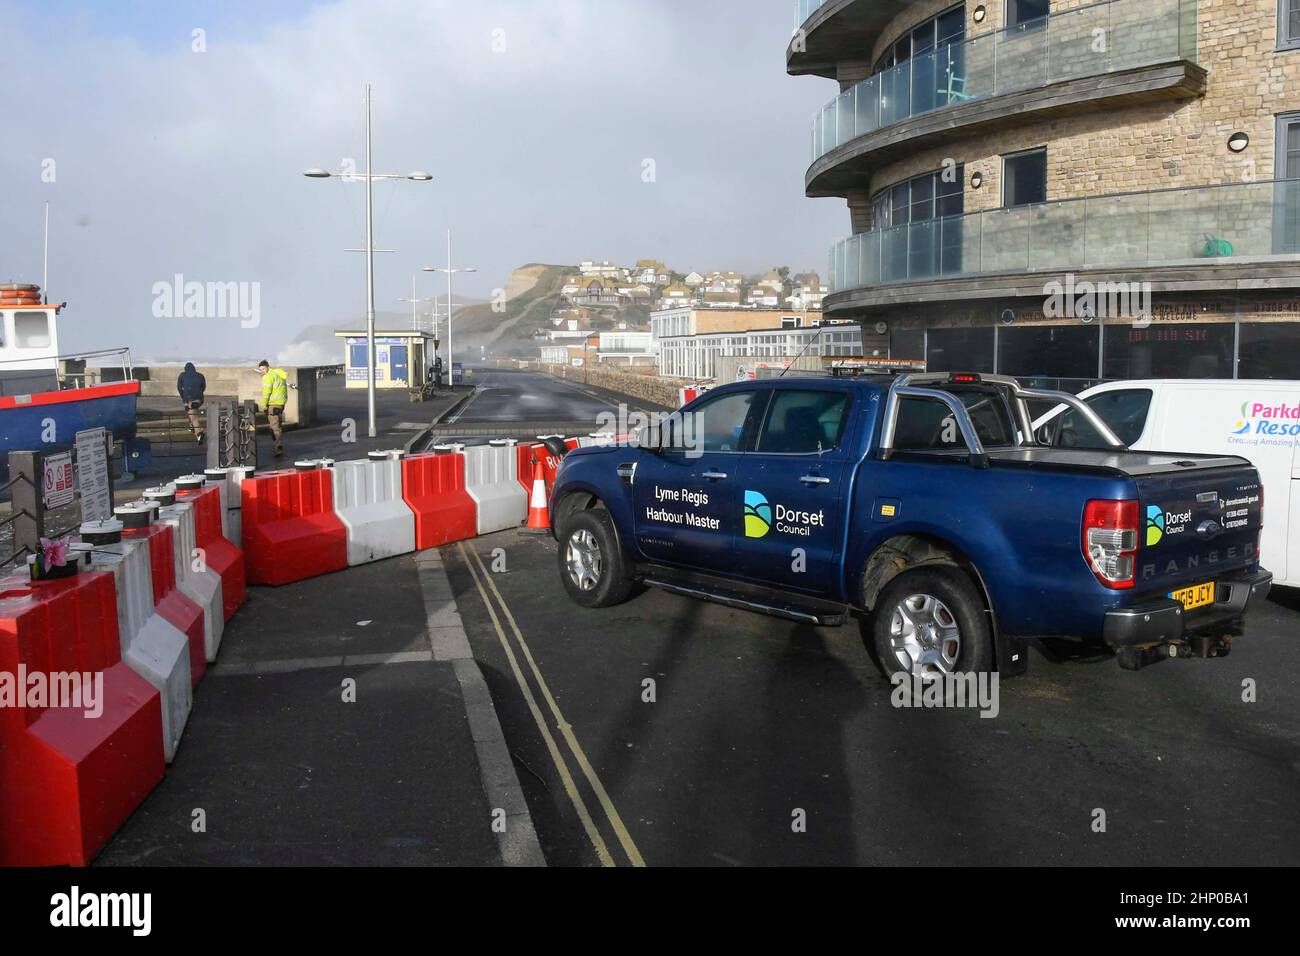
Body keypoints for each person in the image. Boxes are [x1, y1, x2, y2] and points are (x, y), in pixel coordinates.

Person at [257, 360, 289, 457]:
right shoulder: (278, 374)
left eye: (263, 369)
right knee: (277, 425)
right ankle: (278, 445)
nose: (262, 371)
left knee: (274, 427)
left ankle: (278, 447)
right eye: (260, 369)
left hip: (273, 405)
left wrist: (263, 405)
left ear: (267, 367)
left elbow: (266, 393)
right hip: (280, 404)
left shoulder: (268, 377)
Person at [176, 362, 207, 443]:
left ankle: (199, 433)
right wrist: (198, 395)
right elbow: (203, 387)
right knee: (191, 411)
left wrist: (184, 397)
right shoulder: (200, 375)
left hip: (189, 398)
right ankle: (191, 427)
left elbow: (179, 387)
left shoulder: (182, 375)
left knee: (194, 417)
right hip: (199, 398)